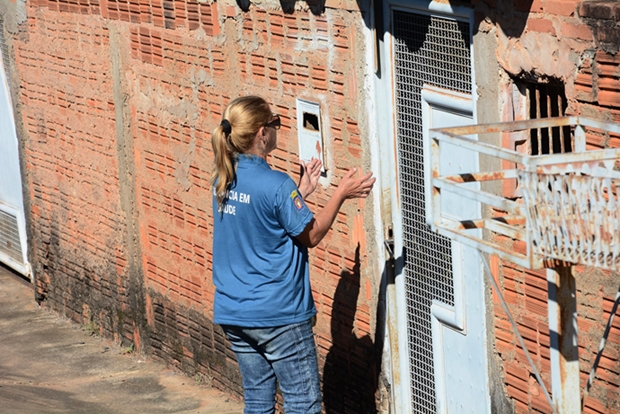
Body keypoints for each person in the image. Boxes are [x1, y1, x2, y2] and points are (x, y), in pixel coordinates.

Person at [210, 95, 375, 414]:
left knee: (258, 400)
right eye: (275, 123)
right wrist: (340, 193)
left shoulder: (223, 179)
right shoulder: (276, 184)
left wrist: (301, 192)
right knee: (303, 402)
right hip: (278, 314)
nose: (277, 129)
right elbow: (311, 234)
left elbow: (262, 219)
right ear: (261, 133)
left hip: (234, 312)